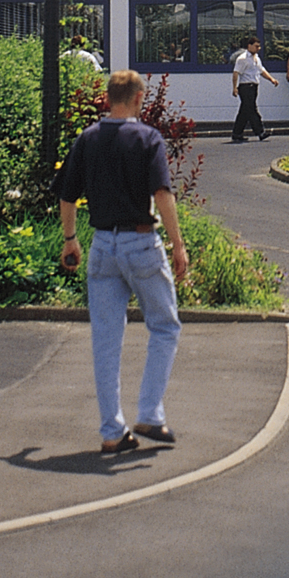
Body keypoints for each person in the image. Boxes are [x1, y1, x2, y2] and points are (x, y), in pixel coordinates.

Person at [55, 70, 191, 455]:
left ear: (108, 99)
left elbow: (67, 195)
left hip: (101, 245)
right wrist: (178, 244)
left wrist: (70, 239)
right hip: (141, 243)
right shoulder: (147, 138)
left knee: (106, 340)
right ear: (136, 99)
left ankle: (112, 431)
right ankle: (149, 411)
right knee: (164, 326)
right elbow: (162, 194)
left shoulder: (88, 139)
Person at [231, 36, 278, 142]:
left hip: (254, 87)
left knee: (244, 111)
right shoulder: (242, 59)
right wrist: (234, 88)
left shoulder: (256, 58)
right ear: (249, 46)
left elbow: (261, 71)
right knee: (252, 110)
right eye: (256, 46)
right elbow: (236, 73)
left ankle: (237, 133)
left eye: (259, 46)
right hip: (245, 87)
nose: (258, 48)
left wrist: (271, 79)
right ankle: (260, 132)